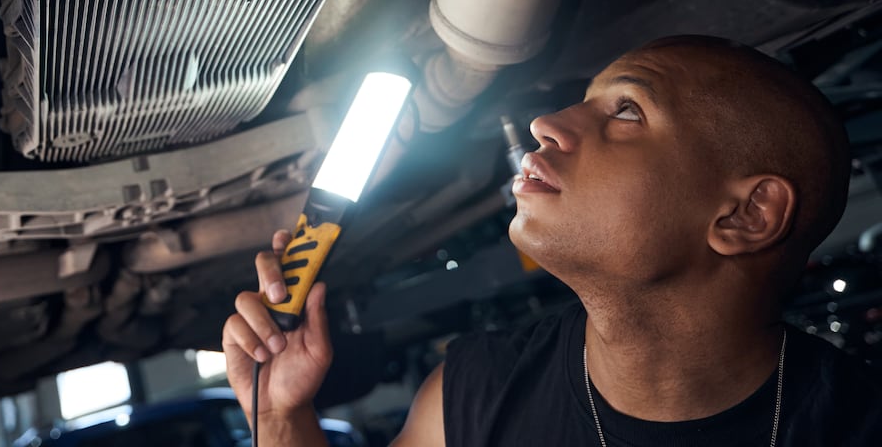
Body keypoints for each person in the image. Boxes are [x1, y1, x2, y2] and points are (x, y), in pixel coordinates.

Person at [222, 35, 882, 446]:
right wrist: (280, 413)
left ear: (746, 215)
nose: (546, 123)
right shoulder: (474, 392)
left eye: (627, 110)